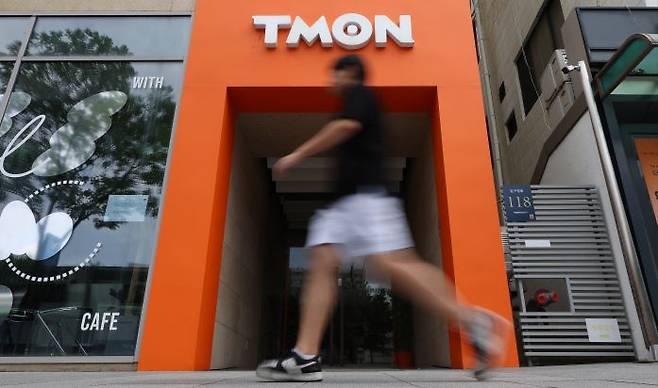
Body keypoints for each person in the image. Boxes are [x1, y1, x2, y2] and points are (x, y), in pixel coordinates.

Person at [256, 55, 508, 382]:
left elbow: (344, 126)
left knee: (393, 265)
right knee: (325, 257)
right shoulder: (358, 99)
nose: (332, 82)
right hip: (349, 203)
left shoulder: (359, 95)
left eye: (335, 75)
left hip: (363, 199)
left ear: (348, 73)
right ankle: (304, 355)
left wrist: (297, 155)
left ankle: (473, 320)